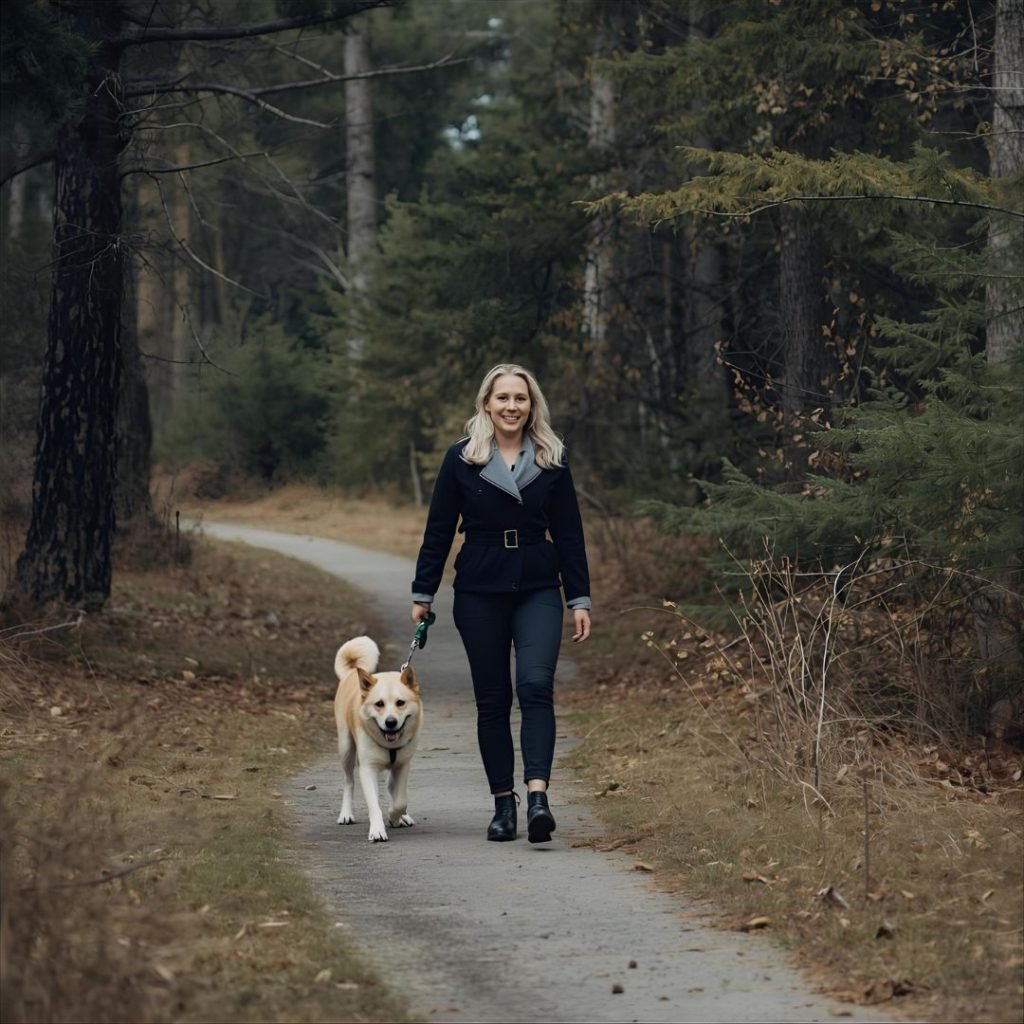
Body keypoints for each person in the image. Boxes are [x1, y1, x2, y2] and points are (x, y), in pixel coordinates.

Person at [410, 363, 592, 844]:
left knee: (535, 686)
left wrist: (579, 598)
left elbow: (570, 535)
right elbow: (438, 531)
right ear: (486, 404)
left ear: (533, 406)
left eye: (521, 398)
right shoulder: (461, 459)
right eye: (503, 398)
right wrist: (422, 595)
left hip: (537, 586)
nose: (512, 406)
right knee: (493, 700)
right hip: (478, 589)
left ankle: (537, 798)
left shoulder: (551, 458)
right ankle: (502, 805)